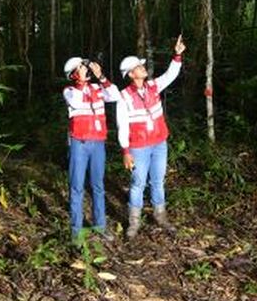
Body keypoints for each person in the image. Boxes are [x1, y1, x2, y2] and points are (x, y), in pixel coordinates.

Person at [117, 34, 185, 239]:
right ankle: (134, 222)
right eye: (139, 67)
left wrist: (177, 55)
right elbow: (122, 125)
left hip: (159, 143)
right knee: (138, 182)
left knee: (158, 181)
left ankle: (160, 216)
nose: (143, 68)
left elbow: (170, 75)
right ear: (131, 74)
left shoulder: (153, 86)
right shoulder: (124, 96)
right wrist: (126, 151)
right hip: (138, 146)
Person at [62, 56, 121, 243]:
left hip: (98, 143)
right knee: (77, 186)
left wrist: (101, 76)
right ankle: (76, 231)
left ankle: (99, 225)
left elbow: (115, 96)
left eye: (84, 68)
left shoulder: (97, 88)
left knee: (98, 186)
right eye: (80, 68)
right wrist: (80, 81)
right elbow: (77, 103)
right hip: (79, 143)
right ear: (73, 74)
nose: (85, 70)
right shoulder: (70, 90)